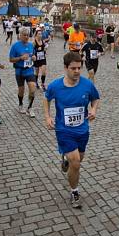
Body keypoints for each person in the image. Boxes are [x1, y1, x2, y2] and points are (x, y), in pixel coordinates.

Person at [44, 51, 100, 209]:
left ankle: (66, 159)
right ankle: (74, 191)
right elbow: (46, 99)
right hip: (63, 130)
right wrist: (48, 117)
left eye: (79, 68)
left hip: (82, 130)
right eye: (73, 68)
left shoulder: (87, 84)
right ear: (65, 68)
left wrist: (94, 110)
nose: (77, 71)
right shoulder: (55, 86)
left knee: (78, 159)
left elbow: (95, 99)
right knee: (76, 163)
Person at [9, 28, 38, 117]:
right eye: (24, 35)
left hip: (29, 70)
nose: (26, 37)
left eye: (27, 35)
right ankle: (21, 104)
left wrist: (34, 57)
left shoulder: (31, 45)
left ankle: (29, 108)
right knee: (21, 90)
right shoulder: (15, 46)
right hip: (19, 71)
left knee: (33, 89)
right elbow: (11, 59)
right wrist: (20, 58)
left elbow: (33, 55)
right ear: (20, 35)